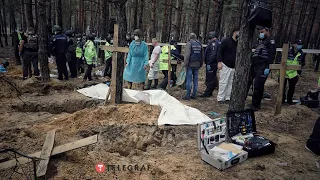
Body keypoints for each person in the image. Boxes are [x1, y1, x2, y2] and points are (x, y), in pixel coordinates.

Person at [247, 26, 276, 111]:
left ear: (267, 31)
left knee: (258, 85)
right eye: (260, 32)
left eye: (262, 31)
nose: (260, 33)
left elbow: (271, 55)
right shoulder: (260, 41)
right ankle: (249, 100)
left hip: (263, 65)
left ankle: (256, 105)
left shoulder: (271, 41)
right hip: (255, 64)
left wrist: (268, 67)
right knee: (249, 81)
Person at [217, 29, 239, 104]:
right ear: (234, 32)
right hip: (225, 64)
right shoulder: (226, 41)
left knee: (230, 83)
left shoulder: (238, 43)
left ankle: (228, 97)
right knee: (223, 82)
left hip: (233, 66)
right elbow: (220, 51)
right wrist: (219, 62)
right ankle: (220, 98)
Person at [282, 39, 305, 105]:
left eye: (300, 44)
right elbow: (281, 61)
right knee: (282, 87)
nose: (299, 45)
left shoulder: (302, 53)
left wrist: (299, 72)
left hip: (294, 74)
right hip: (284, 72)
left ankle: (289, 100)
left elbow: (302, 63)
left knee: (292, 88)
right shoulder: (287, 51)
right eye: (298, 44)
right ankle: (282, 100)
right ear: (293, 44)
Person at [183, 33, 204, 100]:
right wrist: (201, 64)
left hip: (190, 64)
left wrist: (185, 64)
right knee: (195, 80)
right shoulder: (200, 44)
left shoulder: (189, 44)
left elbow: (187, 55)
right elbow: (202, 55)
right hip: (197, 64)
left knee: (189, 80)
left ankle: (188, 95)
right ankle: (194, 95)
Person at [200, 31, 220, 97]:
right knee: (212, 77)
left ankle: (208, 92)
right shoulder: (214, 43)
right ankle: (209, 91)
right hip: (212, 63)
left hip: (211, 64)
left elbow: (213, 54)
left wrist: (209, 62)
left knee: (210, 78)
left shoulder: (214, 43)